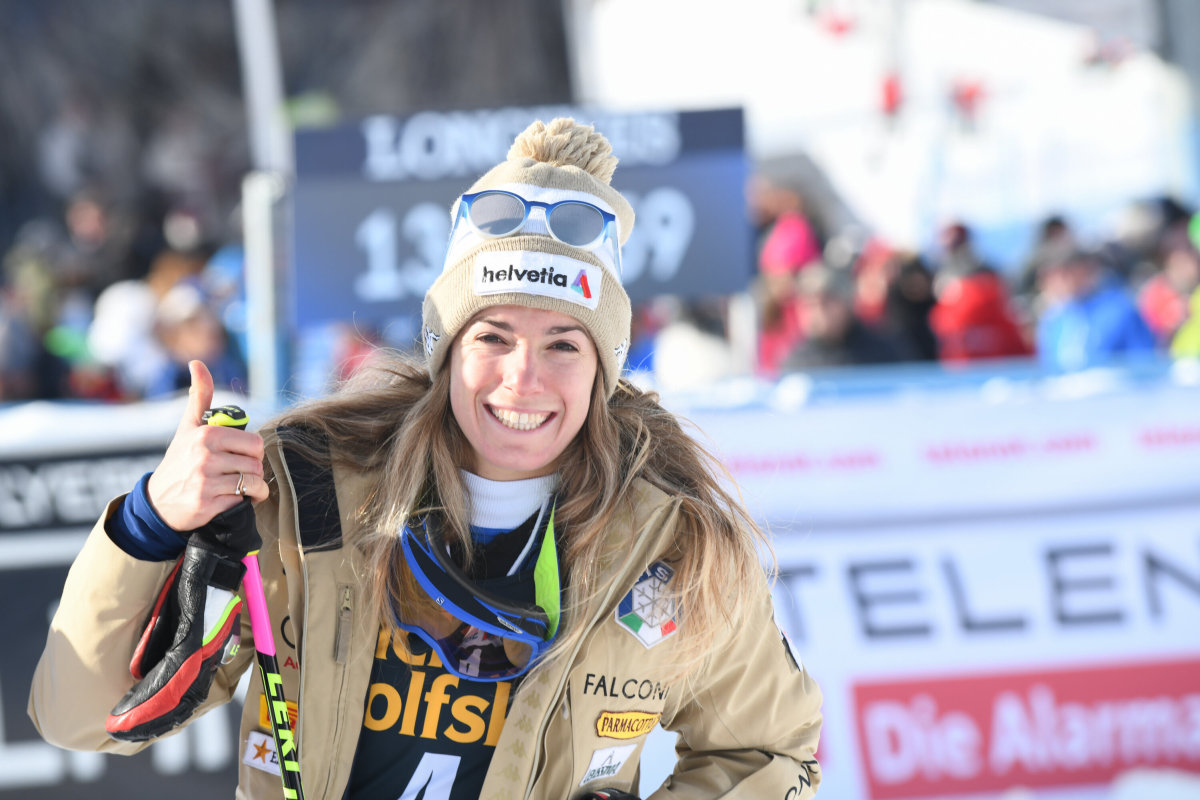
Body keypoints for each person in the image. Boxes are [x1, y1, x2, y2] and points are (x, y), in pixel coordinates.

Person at [29, 118, 823, 799]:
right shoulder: (307, 494)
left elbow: (771, 752)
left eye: (563, 345)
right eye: (492, 337)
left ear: (604, 368)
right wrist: (149, 522)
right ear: (446, 353)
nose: (524, 378)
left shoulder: (671, 547)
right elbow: (83, 719)